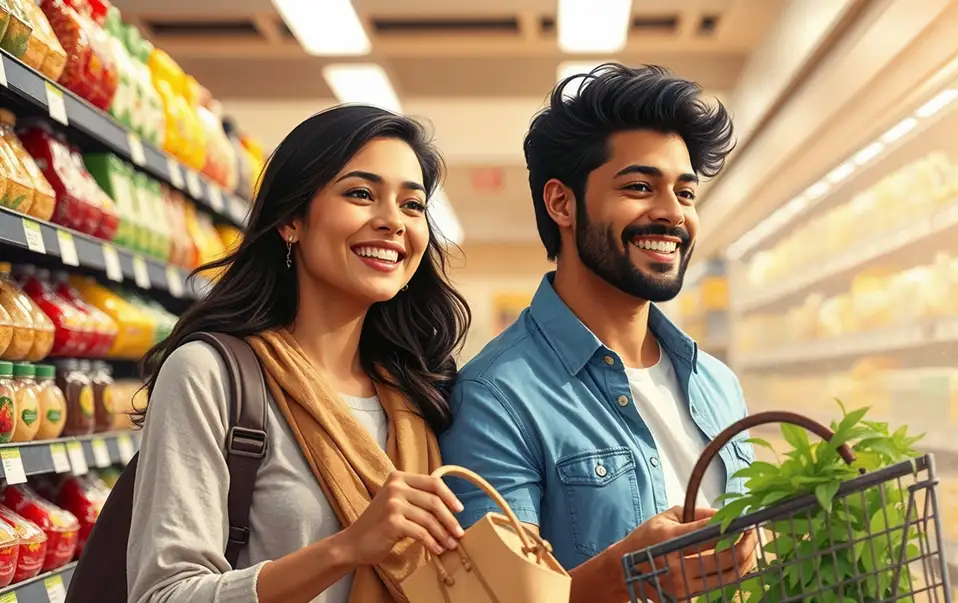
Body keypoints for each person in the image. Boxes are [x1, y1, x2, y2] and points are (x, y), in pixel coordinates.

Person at [438, 64, 757, 603]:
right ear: (562, 203)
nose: (671, 213)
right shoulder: (494, 398)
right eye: (639, 187)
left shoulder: (717, 383)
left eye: (685, 193)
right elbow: (489, 599)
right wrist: (623, 577)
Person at [128, 105, 472, 603]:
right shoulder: (211, 374)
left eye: (413, 205)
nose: (393, 222)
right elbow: (164, 595)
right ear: (291, 220)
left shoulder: (420, 393)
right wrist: (346, 548)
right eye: (361, 194)